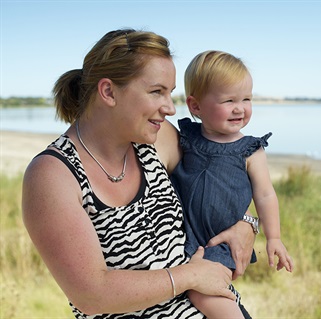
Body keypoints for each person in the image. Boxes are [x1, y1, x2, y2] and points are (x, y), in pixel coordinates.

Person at [22, 29, 256, 318]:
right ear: (108, 92)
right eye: (156, 91)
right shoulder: (52, 175)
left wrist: (247, 223)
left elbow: (221, 178)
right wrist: (190, 276)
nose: (170, 108)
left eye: (170, 93)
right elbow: (91, 294)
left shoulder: (156, 142)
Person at [170, 50, 294, 318]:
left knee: (203, 291)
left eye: (247, 99)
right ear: (195, 106)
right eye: (229, 100)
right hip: (183, 237)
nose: (240, 108)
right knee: (187, 282)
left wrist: (274, 237)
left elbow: (265, 194)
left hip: (222, 243)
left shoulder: (249, 150)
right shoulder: (186, 138)